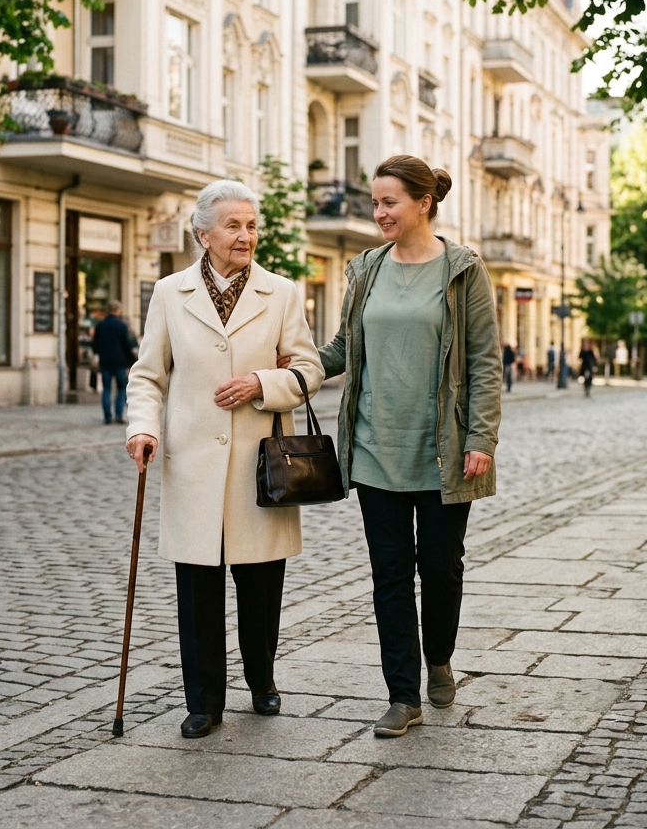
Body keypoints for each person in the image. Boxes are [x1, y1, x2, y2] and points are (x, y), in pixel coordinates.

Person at [125, 180, 323, 740]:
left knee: (261, 586)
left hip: (261, 466)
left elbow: (309, 369)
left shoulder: (281, 293)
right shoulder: (170, 293)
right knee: (198, 592)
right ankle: (204, 702)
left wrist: (263, 382)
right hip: (192, 462)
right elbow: (148, 375)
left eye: (252, 225)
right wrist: (142, 428)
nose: (245, 236)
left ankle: (262, 681)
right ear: (203, 233)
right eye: (233, 226)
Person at [319, 155, 502, 738]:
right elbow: (345, 345)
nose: (379, 213)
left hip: (444, 448)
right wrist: (291, 365)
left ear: (424, 203)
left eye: (389, 202)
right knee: (390, 574)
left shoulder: (462, 269)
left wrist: (481, 437)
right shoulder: (366, 269)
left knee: (442, 568)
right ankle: (403, 694)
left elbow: (483, 361)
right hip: (375, 446)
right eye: (375, 203)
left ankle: (440, 657)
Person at [91, 301, 137, 424]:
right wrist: (130, 361)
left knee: (106, 389)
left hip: (105, 361)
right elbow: (126, 345)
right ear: (118, 310)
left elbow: (95, 345)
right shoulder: (122, 325)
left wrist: (98, 355)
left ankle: (107, 417)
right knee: (121, 388)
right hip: (119, 362)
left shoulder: (100, 325)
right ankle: (118, 415)